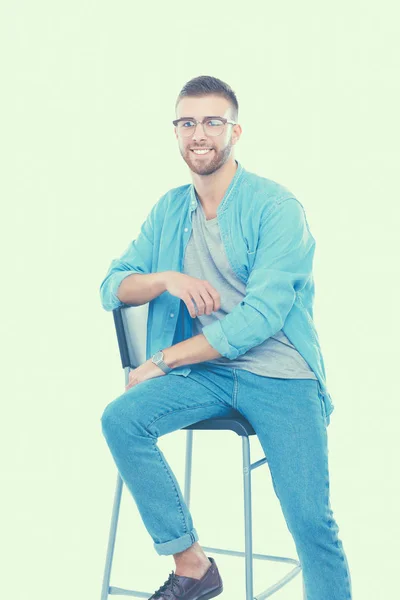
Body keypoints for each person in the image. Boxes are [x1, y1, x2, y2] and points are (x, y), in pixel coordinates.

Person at [100, 75, 352, 600]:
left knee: (310, 521)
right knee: (121, 418)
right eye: (187, 122)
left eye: (212, 121)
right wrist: (168, 279)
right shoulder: (170, 209)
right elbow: (112, 287)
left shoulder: (276, 208)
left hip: (282, 375)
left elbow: (259, 317)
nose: (200, 133)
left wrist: (163, 359)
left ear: (235, 131)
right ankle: (192, 565)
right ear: (176, 133)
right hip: (209, 374)